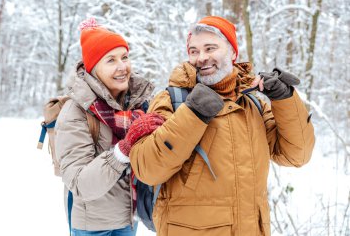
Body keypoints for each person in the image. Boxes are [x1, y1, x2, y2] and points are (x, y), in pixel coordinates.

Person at [115, 16, 315, 236]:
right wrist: (193, 113)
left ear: (233, 53)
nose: (201, 57)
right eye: (194, 51)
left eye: (210, 48)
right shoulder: (171, 99)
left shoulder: (253, 104)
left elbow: (297, 155)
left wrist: (285, 99)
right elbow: (148, 169)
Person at [55, 17, 157, 236]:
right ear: (93, 68)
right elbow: (80, 183)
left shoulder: (139, 104)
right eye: (110, 60)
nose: (122, 67)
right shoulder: (75, 113)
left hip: (129, 218)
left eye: (124, 57)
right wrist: (124, 149)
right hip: (91, 227)